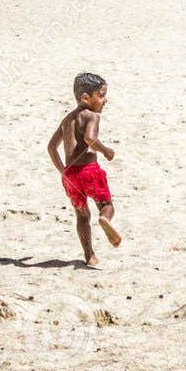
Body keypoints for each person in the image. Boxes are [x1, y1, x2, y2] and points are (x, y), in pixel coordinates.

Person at [46, 72, 122, 267]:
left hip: (70, 176)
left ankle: (90, 256)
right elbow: (89, 138)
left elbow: (51, 147)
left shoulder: (67, 120)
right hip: (89, 170)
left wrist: (63, 171)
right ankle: (105, 220)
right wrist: (105, 151)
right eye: (102, 95)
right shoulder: (92, 116)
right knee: (106, 204)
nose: (105, 100)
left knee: (81, 216)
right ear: (85, 98)